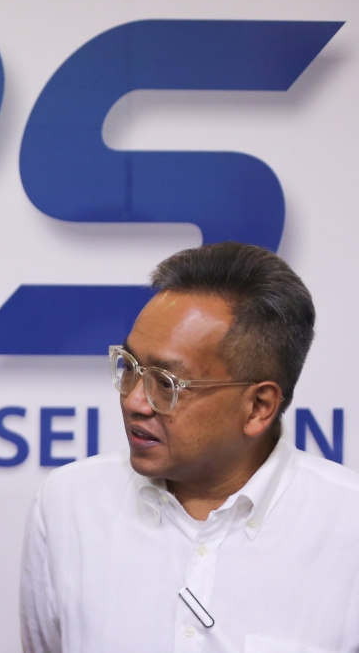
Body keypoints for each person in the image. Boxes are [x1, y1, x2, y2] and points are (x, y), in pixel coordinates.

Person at [20, 242, 359, 652]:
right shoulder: (69, 504)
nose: (134, 401)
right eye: (130, 367)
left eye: (166, 384)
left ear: (259, 407)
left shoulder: (346, 527)